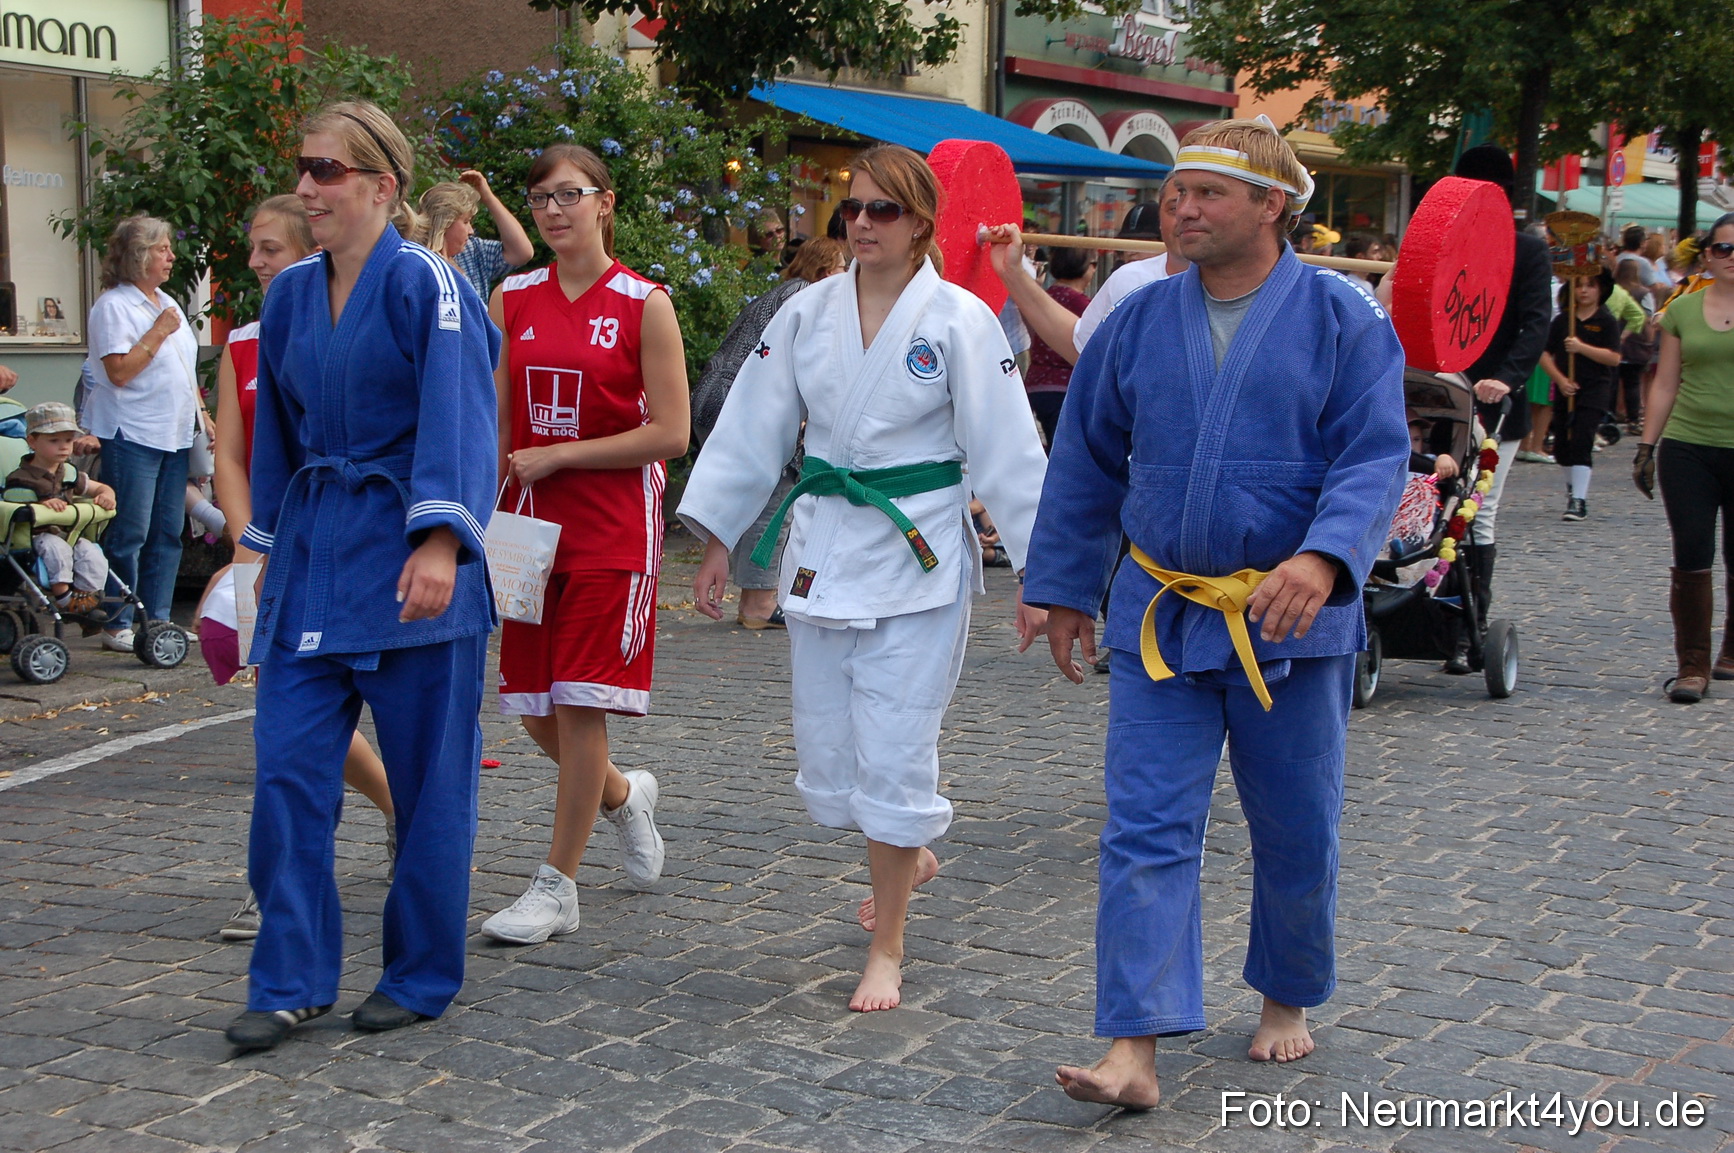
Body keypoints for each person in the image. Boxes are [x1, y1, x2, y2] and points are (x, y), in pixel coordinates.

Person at [1026, 116, 1408, 1108]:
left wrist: (1326, 559)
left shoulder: (1342, 318)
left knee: (1295, 825)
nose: (1181, 207)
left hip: (1291, 618)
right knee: (1146, 826)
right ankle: (1132, 1044)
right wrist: (1063, 586)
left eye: (1208, 193)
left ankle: (1287, 989)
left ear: (1271, 205)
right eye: (1176, 190)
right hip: (1161, 609)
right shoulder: (1138, 322)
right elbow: (1085, 461)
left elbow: (1375, 455)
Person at [679, 143, 1050, 1013]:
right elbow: (754, 425)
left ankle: (887, 942)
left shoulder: (961, 320)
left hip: (917, 556)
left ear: (923, 222)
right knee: (833, 752)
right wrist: (723, 537)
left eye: (885, 210)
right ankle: (904, 845)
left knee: (892, 754)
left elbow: (1010, 452)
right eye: (854, 208)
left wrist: (1041, 574)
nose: (864, 223)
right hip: (820, 548)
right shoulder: (808, 312)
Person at [222, 100, 500, 1052]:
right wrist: (262, 544)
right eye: (303, 168)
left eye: (327, 171)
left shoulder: (431, 284)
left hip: (413, 566)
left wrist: (440, 541)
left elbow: (461, 416)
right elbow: (278, 440)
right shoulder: (290, 294)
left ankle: (420, 972)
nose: (308, 186)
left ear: (382, 186)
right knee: (289, 772)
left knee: (429, 786)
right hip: (316, 559)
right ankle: (291, 976)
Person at [482, 143, 688, 945]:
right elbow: (498, 422)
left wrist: (563, 454)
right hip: (527, 526)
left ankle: (556, 884)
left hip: (610, 526)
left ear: (605, 201)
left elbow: (671, 431)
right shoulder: (514, 296)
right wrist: (479, 510)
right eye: (539, 198)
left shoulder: (645, 302)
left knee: (578, 700)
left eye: (569, 194)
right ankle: (621, 794)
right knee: (533, 706)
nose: (554, 210)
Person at [208, 194, 397, 944]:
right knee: (281, 724)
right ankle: (279, 881)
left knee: (338, 705)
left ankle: (398, 812)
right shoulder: (243, 344)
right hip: (273, 552)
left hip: (356, 546)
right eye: (253, 248)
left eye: (268, 249)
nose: (254, 262)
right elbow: (230, 451)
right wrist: (246, 541)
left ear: (310, 251)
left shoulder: (360, 321)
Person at [1386, 145, 1551, 673]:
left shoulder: (1527, 251)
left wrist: (1507, 377)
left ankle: (1466, 625)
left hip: (1491, 399)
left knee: (1476, 516)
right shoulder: (1435, 247)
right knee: (1409, 502)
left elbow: (1535, 320)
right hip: (1432, 395)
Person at [690, 236, 848, 628]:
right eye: (843, 267)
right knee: (776, 495)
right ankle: (759, 600)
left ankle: (751, 594)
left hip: (715, 395)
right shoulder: (812, 298)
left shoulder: (783, 292)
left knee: (753, 491)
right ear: (827, 270)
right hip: (739, 399)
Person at [83, 214, 206, 653]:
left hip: (172, 431)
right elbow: (118, 371)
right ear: (140, 255)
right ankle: (118, 620)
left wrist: (202, 412)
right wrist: (156, 332)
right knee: (130, 531)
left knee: (168, 532)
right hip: (132, 431)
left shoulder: (164, 300)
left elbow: (183, 367)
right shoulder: (114, 306)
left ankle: (155, 619)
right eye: (162, 249)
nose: (171, 256)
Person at [1633, 212, 1734, 703]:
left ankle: (1731, 650)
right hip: (1689, 446)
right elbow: (1665, 383)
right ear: (1707, 254)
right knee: (1692, 554)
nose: (1732, 258)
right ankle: (1692, 665)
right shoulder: (1682, 310)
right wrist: (1647, 447)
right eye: (1724, 249)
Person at [985, 180, 1189, 370]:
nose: (1187, 212)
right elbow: (1082, 349)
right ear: (1161, 219)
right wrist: (1012, 272)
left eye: (1208, 194)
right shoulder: (1130, 280)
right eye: (1174, 206)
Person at [4, 402, 115, 618]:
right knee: (56, 548)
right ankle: (63, 597)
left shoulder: (70, 473)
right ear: (32, 442)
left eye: (68, 440)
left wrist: (106, 494)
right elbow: (16, 505)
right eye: (54, 440)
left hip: (68, 534)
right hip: (33, 538)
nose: (64, 446)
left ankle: (86, 598)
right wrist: (41, 505)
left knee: (91, 552)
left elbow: (98, 487)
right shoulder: (21, 477)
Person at [1539, 271, 1622, 522]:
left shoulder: (1606, 321)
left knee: (1583, 439)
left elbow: (1614, 358)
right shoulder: (1563, 320)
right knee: (1562, 444)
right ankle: (1572, 486)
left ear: (1600, 290)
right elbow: (1544, 354)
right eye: (1580, 286)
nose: (1584, 291)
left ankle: (1579, 500)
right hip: (1567, 388)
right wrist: (1560, 380)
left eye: (1590, 286)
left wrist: (1581, 348)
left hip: (1595, 388)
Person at [419, 170, 535, 300]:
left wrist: (488, 197)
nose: (471, 231)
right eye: (466, 221)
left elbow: (522, 253)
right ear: (446, 221)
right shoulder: (418, 261)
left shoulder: (472, 250)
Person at [1024, 247, 1094, 447]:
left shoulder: (1045, 296)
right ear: (1086, 268)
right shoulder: (1083, 304)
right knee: (1063, 450)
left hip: (1037, 384)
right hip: (1065, 387)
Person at [1613, 258, 1659, 430]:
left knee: (1613, 381)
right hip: (1636, 342)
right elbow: (1648, 316)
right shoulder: (1643, 292)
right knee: (1632, 382)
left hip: (1614, 341)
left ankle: (1609, 416)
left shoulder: (1612, 290)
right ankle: (1633, 419)